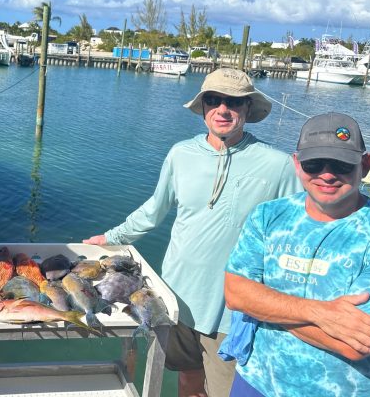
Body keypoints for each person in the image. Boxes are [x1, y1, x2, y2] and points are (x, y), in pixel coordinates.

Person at [84, 68, 302, 396]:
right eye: (213, 100)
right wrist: (112, 238)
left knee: (224, 390)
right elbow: (154, 210)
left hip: (234, 310)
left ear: (247, 109)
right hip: (175, 299)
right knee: (186, 380)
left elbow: (306, 222)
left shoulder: (279, 164)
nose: (223, 109)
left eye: (234, 102)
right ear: (202, 108)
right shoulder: (180, 154)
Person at [224, 112, 370, 396]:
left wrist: (262, 304)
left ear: (365, 164)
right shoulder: (268, 215)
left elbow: (354, 344)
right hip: (255, 380)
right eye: (314, 163)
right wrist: (322, 313)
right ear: (296, 163)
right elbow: (235, 295)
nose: (327, 174)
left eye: (342, 164)